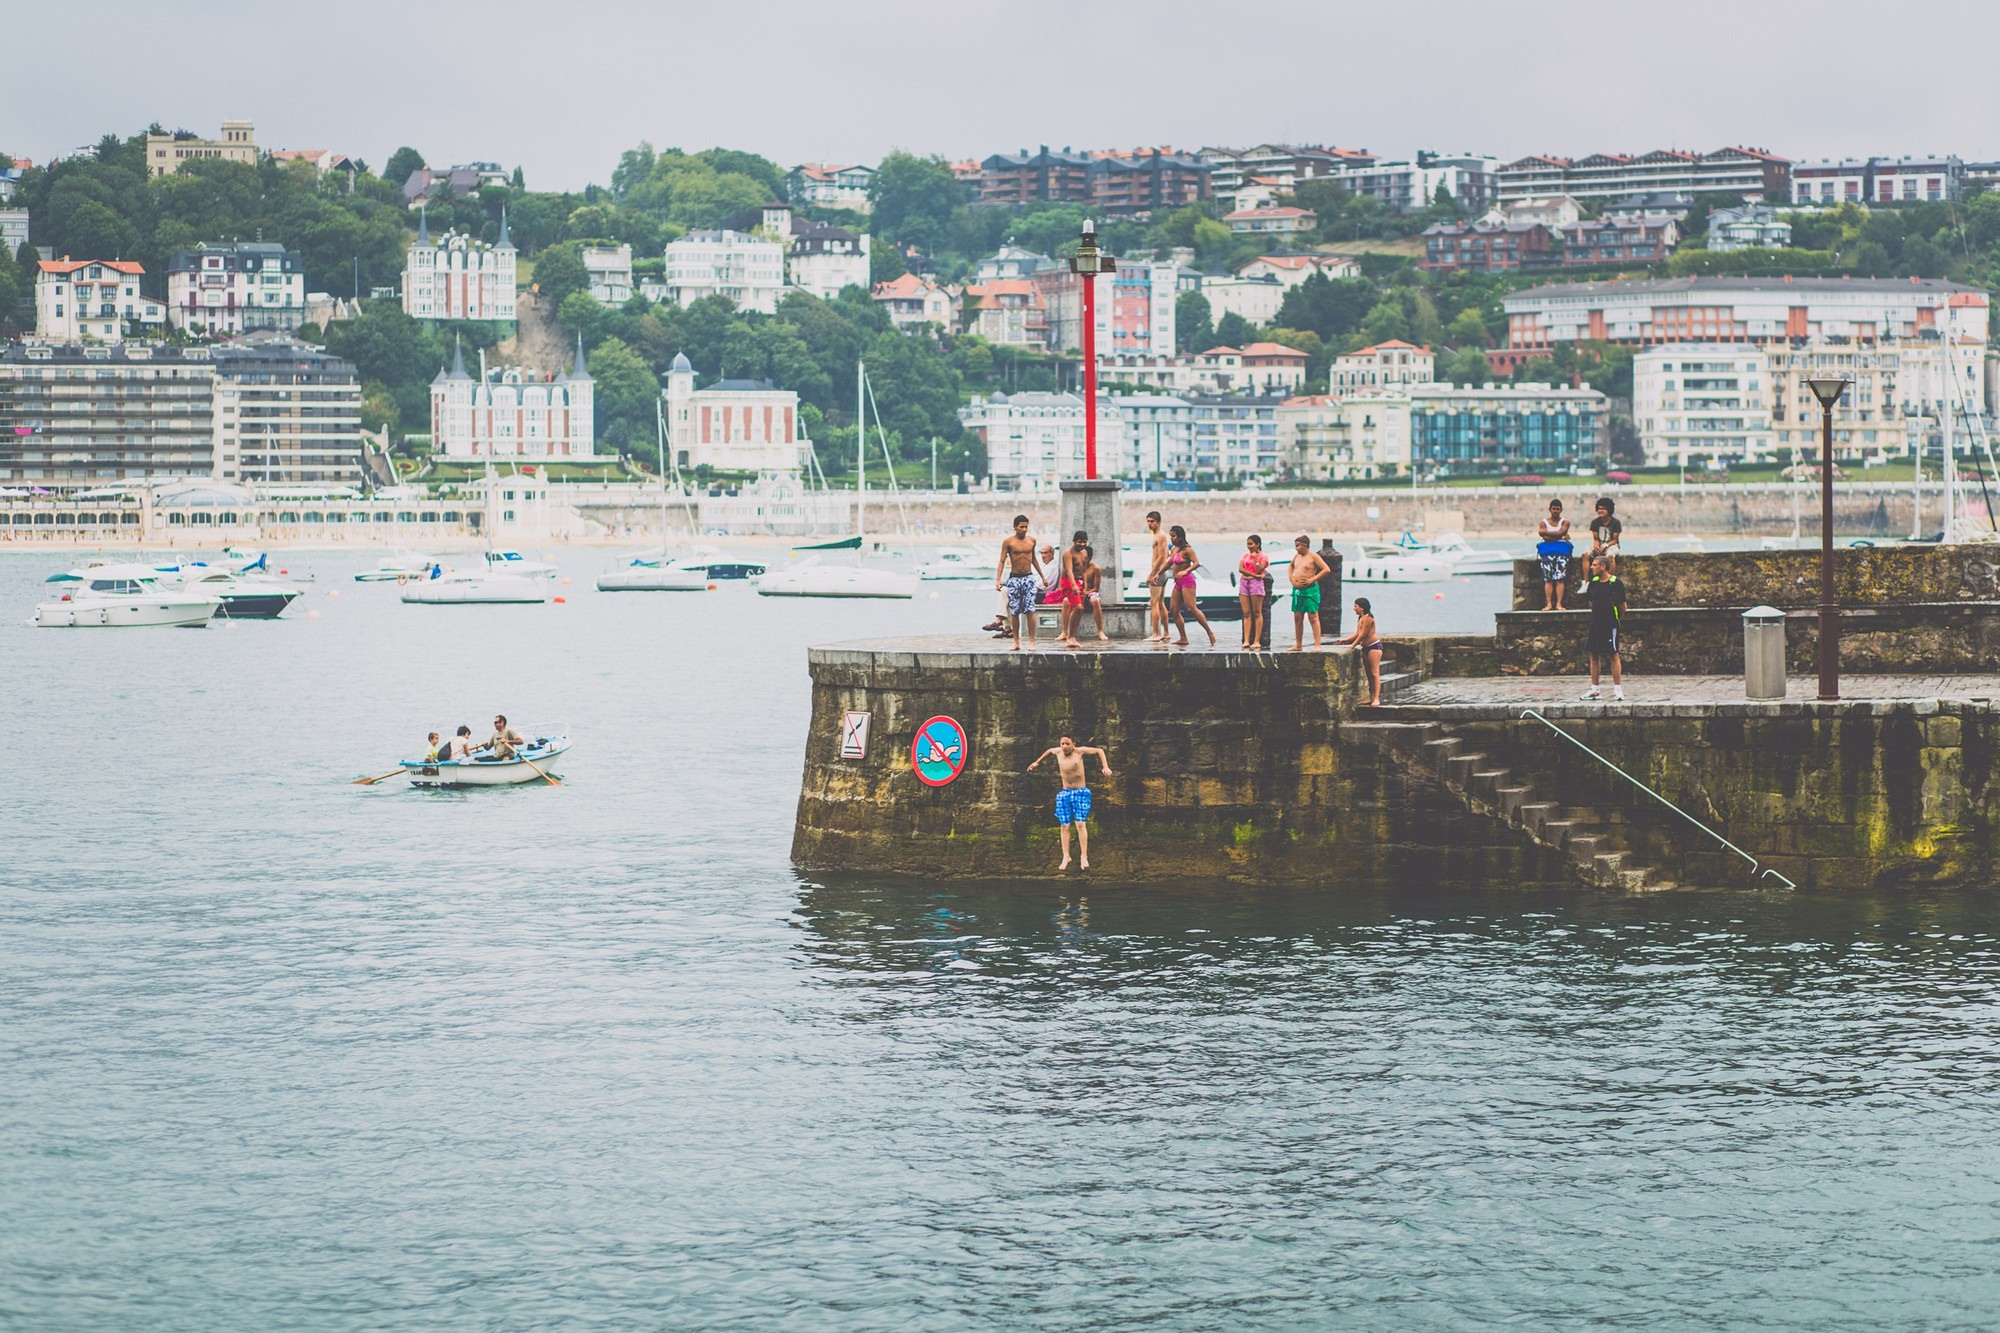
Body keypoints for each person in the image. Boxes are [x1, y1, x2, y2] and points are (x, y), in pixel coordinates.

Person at [1026, 735, 1113, 871]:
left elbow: (1099, 751)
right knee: (1064, 825)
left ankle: (1084, 856)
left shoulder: (1080, 751)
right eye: (1062, 744)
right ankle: (1066, 856)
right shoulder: (1058, 752)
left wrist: (1105, 767)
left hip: (1080, 792)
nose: (1065, 747)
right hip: (1065, 792)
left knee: (1080, 824)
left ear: (1074, 743)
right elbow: (1049, 751)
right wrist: (1037, 762)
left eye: (1067, 744)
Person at [993, 515, 1046, 651]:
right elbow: (1002, 560)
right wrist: (998, 579)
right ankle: (1016, 642)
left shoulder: (1031, 541)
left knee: (1030, 610)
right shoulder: (1008, 542)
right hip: (1015, 578)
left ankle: (1032, 641)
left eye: (1026, 527)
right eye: (1021, 527)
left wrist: (1042, 576)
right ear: (1015, 527)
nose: (1024, 529)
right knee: (1015, 611)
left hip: (1028, 578)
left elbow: (1033, 559)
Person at [1580, 554, 1627, 701]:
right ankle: (1595, 689)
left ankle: (1618, 690)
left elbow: (1622, 606)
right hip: (1595, 623)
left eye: (1594, 565)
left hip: (1610, 624)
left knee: (1613, 654)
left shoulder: (1615, 583)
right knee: (1594, 655)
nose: (1591, 567)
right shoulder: (1593, 582)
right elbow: (1591, 602)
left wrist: (1615, 618)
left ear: (1603, 567)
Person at [1164, 524, 1217, 647]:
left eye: (1173, 536)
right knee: (1174, 610)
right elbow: (1169, 563)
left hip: (1187, 581)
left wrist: (1186, 571)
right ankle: (1183, 638)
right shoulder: (1174, 549)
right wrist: (1157, 573)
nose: (1171, 539)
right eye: (1170, 536)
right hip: (1177, 582)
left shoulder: (1188, 549)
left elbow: (1197, 563)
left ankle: (1210, 632)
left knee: (1191, 609)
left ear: (1180, 537)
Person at [1335, 597, 1385, 706]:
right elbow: (1358, 633)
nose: (1354, 608)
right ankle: (1371, 698)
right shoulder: (1360, 618)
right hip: (1365, 648)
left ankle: (1376, 698)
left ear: (1362, 608)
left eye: (1355, 606)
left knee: (1374, 673)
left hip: (1374, 647)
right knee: (1368, 674)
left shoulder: (1368, 618)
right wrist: (1346, 640)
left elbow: (1364, 634)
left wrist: (1352, 646)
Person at [1287, 535, 1328, 651]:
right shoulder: (1296, 556)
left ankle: (1317, 645)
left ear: (1304, 546)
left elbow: (1326, 569)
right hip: (1297, 590)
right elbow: (1290, 566)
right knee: (1297, 617)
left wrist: (1312, 579)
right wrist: (1291, 577)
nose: (1296, 548)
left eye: (1297, 545)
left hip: (1310, 590)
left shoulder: (1314, 556)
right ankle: (1298, 644)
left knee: (1313, 616)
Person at [1536, 498, 1573, 611]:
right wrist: (1559, 536)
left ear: (1561, 510)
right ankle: (1549, 604)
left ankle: (1559, 604)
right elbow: (1546, 538)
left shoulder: (1565, 522)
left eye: (1558, 509)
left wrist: (1546, 533)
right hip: (1548, 553)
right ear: (1550, 509)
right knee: (1548, 579)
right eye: (1554, 509)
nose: (1555, 511)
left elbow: (1561, 532)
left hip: (1561, 554)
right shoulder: (1543, 522)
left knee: (1560, 579)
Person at [1057, 530, 1090, 649]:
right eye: (1080, 542)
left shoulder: (1085, 553)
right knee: (1078, 607)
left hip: (1079, 582)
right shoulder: (1068, 553)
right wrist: (1074, 585)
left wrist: (1085, 587)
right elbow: (1069, 570)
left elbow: (1084, 571)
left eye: (1084, 542)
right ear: (1074, 541)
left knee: (1080, 610)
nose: (1082, 544)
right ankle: (1069, 637)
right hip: (1068, 582)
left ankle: (1073, 637)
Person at [1237, 534, 1270, 651]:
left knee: (1257, 612)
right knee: (1246, 612)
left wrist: (1256, 558)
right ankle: (1246, 640)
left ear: (1257, 544)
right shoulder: (1244, 555)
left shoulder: (1264, 556)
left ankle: (1256, 641)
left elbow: (1259, 569)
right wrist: (1253, 575)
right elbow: (1240, 569)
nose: (1249, 546)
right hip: (1244, 583)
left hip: (1256, 584)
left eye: (1251, 544)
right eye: (1248, 544)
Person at [1144, 510, 1171, 642]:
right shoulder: (1158, 535)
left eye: (1152, 521)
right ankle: (1166, 632)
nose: (1150, 524)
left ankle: (1155, 634)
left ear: (1158, 522)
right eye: (1148, 521)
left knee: (1153, 603)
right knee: (1161, 603)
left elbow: (1162, 557)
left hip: (1158, 573)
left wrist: (1152, 574)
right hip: (1161, 573)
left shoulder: (1160, 536)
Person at [1586, 496, 1622, 575]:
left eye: (1603, 509)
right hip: (1600, 544)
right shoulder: (1595, 522)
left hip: (1612, 545)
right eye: (1599, 508)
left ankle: (1610, 581)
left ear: (1609, 510)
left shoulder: (1616, 522)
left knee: (1610, 556)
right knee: (1585, 554)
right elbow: (1596, 539)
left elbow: (1615, 540)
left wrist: (1605, 545)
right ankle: (1585, 582)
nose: (1600, 511)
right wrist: (1596, 547)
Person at [1081, 547, 1109, 642]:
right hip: (1079, 592)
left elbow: (1096, 588)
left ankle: (1100, 631)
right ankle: (1064, 632)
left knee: (1095, 600)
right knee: (1066, 601)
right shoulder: (1075, 567)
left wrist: (1086, 593)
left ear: (1089, 557)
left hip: (1091, 592)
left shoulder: (1095, 568)